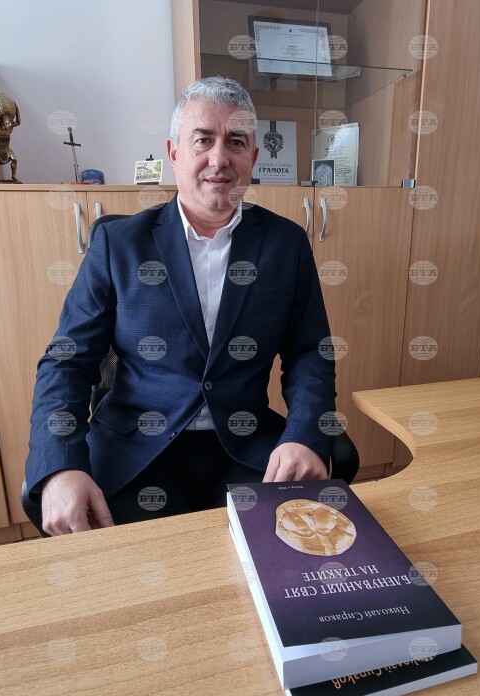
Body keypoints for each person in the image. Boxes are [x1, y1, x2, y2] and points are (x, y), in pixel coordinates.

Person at [25, 77, 336, 535]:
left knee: (285, 551)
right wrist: (60, 466)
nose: (219, 158)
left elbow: (311, 352)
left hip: (245, 448)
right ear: (173, 152)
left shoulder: (286, 244)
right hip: (136, 450)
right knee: (131, 566)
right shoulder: (119, 244)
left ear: (253, 157)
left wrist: (305, 436)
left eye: (236, 142)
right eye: (203, 140)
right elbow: (67, 361)